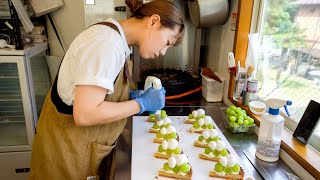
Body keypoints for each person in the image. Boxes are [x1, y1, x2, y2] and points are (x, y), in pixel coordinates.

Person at [29, 0, 185, 179]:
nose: (163, 51)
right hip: (65, 155)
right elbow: (85, 113)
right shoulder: (106, 44)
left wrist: (129, 97)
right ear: (153, 21)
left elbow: (97, 95)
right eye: (167, 42)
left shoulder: (115, 40)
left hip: (81, 150)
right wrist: (141, 104)